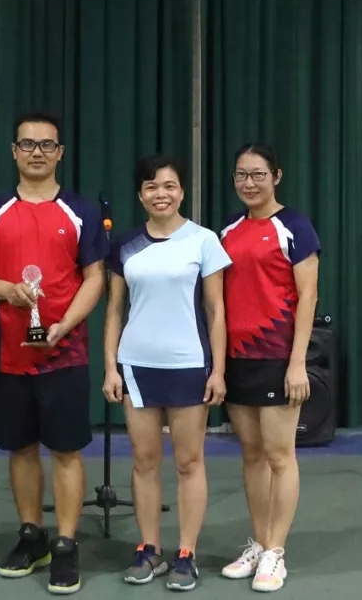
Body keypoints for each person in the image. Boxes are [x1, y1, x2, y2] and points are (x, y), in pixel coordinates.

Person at [0, 111, 108, 595]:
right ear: (14, 152)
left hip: (66, 352)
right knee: (20, 446)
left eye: (46, 145)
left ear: (60, 153)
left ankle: (65, 544)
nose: (37, 152)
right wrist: (7, 289)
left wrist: (65, 325)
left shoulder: (81, 212)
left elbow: (95, 278)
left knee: (66, 449)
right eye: (28, 144)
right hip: (7, 352)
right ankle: (31, 536)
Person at [101, 155, 231, 591]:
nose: (161, 194)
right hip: (137, 367)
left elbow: (216, 311)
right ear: (141, 195)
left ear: (182, 192)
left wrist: (218, 371)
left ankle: (186, 553)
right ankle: (149, 549)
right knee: (144, 461)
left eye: (169, 186)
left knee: (189, 461)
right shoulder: (125, 245)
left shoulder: (204, 241)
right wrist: (111, 367)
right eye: (152, 187)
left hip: (189, 366)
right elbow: (114, 310)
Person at [217, 143, 321, 592]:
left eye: (258, 174)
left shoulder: (294, 227)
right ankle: (259, 544)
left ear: (276, 176)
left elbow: (308, 296)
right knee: (252, 455)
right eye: (242, 175)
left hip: (278, 357)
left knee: (280, 456)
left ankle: (276, 552)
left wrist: (297, 362)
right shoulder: (228, 231)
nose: (249, 183)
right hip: (238, 358)